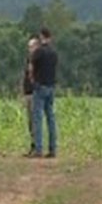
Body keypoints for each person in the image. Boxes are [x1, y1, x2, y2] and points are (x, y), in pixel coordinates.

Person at [28, 27, 58, 158]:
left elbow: (31, 67)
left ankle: (38, 149)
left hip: (40, 87)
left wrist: (33, 81)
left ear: (41, 37)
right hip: (51, 86)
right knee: (51, 118)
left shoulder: (39, 52)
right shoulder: (54, 52)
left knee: (37, 118)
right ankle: (52, 148)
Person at [22, 35, 40, 154]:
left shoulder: (38, 60)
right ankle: (33, 143)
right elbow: (25, 77)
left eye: (32, 46)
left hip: (35, 92)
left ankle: (37, 145)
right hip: (28, 92)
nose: (30, 49)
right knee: (30, 121)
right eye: (29, 46)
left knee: (35, 120)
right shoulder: (29, 59)